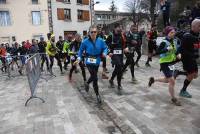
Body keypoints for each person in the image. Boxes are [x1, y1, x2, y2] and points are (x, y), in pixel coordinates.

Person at [148, 26, 182, 106]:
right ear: (167, 34)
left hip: (171, 63)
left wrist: (178, 54)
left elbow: (175, 50)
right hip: (164, 63)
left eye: (174, 32)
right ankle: (173, 98)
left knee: (167, 80)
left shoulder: (174, 41)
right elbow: (157, 52)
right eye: (171, 32)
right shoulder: (164, 42)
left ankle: (153, 80)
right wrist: (166, 49)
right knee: (172, 81)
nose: (173, 34)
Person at [75, 25, 108, 104]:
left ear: (97, 32)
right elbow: (80, 51)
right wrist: (79, 59)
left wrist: (104, 53)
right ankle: (97, 95)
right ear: (89, 33)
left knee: (94, 76)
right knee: (95, 78)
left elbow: (105, 47)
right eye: (91, 32)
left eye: (95, 32)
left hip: (97, 61)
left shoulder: (101, 40)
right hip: (89, 61)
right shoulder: (85, 42)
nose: (93, 33)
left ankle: (87, 83)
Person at [179, 19, 200, 98]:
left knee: (195, 75)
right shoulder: (187, 36)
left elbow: (196, 45)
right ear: (194, 26)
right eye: (199, 26)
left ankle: (179, 72)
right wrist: (190, 55)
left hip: (193, 58)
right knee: (192, 74)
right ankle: (183, 90)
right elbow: (181, 49)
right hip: (187, 58)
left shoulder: (196, 35)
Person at [106, 23, 126, 95]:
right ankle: (118, 84)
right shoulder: (111, 36)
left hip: (120, 54)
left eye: (121, 27)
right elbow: (105, 45)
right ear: (115, 28)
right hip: (114, 54)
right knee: (119, 66)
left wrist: (126, 49)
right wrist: (109, 52)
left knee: (118, 68)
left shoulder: (122, 35)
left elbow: (124, 44)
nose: (120, 28)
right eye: (119, 27)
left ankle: (112, 80)